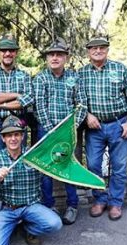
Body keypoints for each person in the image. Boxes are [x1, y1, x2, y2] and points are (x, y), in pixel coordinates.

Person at [78, 37, 127, 220]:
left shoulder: (119, 69)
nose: (98, 51)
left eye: (101, 47)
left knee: (119, 167)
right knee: (93, 165)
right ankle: (99, 199)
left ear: (107, 49)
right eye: (93, 48)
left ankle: (115, 203)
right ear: (88, 52)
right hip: (94, 128)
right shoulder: (82, 74)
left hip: (118, 125)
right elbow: (80, 101)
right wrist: (87, 115)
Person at [0, 115, 62, 245]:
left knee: (55, 223)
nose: (13, 139)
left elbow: (54, 166)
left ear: (22, 136)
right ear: (3, 138)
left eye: (16, 134)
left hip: (30, 205)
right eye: (8, 135)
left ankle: (29, 228)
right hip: (6, 209)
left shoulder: (34, 156)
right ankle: (11, 226)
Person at [33, 38, 87, 225]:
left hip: (67, 132)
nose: (55, 58)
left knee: (67, 167)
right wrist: (50, 129)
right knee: (46, 169)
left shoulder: (74, 78)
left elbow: (81, 105)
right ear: (47, 58)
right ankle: (50, 206)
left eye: (59, 54)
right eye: (51, 54)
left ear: (66, 57)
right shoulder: (40, 78)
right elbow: (39, 105)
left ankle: (72, 205)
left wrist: (71, 128)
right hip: (46, 131)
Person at [0, 34, 33, 153]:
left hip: (18, 122)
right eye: (4, 50)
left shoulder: (24, 76)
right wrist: (16, 95)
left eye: (11, 50)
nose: (7, 53)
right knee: (0, 160)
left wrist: (0, 105)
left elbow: (28, 99)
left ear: (16, 53)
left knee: (19, 161)